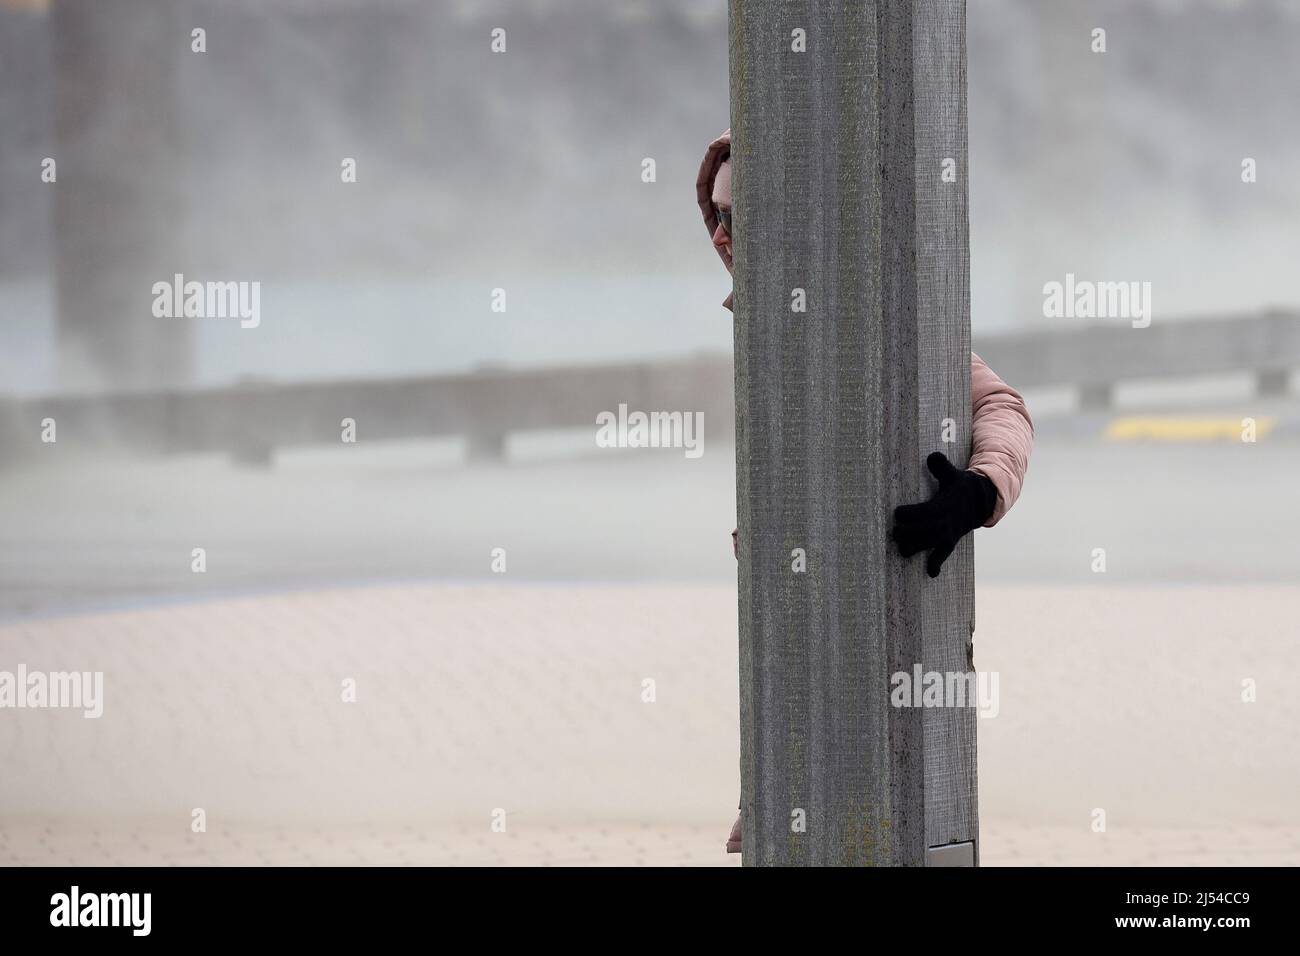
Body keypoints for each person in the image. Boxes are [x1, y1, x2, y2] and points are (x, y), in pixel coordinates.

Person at [696, 128, 1034, 855]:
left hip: (883, 625)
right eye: (716, 215)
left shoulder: (874, 299)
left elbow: (1002, 407)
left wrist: (975, 495)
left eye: (740, 215)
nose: (723, 233)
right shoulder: (757, 321)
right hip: (792, 641)